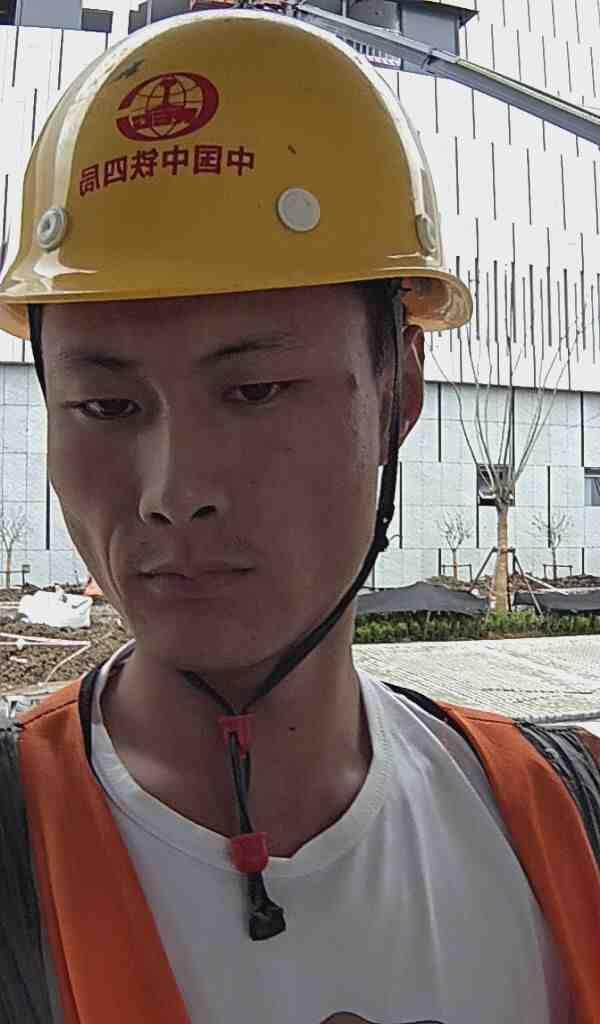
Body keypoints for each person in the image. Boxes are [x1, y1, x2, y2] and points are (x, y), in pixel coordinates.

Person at [0, 8, 598, 1024]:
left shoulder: (564, 823)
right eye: (106, 406)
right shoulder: (19, 842)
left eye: (256, 391)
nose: (172, 490)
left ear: (399, 390)